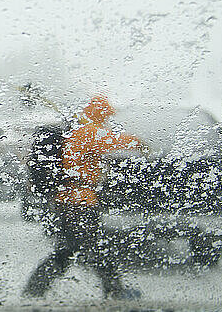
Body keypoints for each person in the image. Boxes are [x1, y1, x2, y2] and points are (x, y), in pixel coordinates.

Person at [23, 95, 145, 300]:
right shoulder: (87, 131)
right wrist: (141, 142)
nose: (108, 119)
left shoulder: (79, 130)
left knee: (76, 248)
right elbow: (113, 141)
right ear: (100, 113)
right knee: (89, 248)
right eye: (106, 115)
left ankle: (36, 288)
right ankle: (115, 291)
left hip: (71, 199)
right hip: (79, 201)